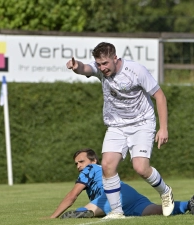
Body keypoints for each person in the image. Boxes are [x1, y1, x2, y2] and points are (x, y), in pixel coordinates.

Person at [65, 42, 174, 219]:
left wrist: (163, 128)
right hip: (116, 125)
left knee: (140, 168)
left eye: (105, 63)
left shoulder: (137, 70)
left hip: (142, 123)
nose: (102, 68)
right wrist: (76, 66)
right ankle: (117, 212)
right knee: (107, 165)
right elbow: (85, 68)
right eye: (99, 64)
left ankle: (165, 191)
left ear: (115, 58)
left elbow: (159, 96)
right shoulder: (99, 69)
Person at [50, 149, 194, 219]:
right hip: (128, 192)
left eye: (81, 161)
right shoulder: (97, 169)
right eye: (76, 164)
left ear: (93, 161)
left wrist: (53, 217)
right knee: (157, 210)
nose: (78, 166)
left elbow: (72, 195)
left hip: (112, 195)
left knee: (82, 212)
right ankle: (189, 205)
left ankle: (84, 212)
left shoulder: (90, 169)